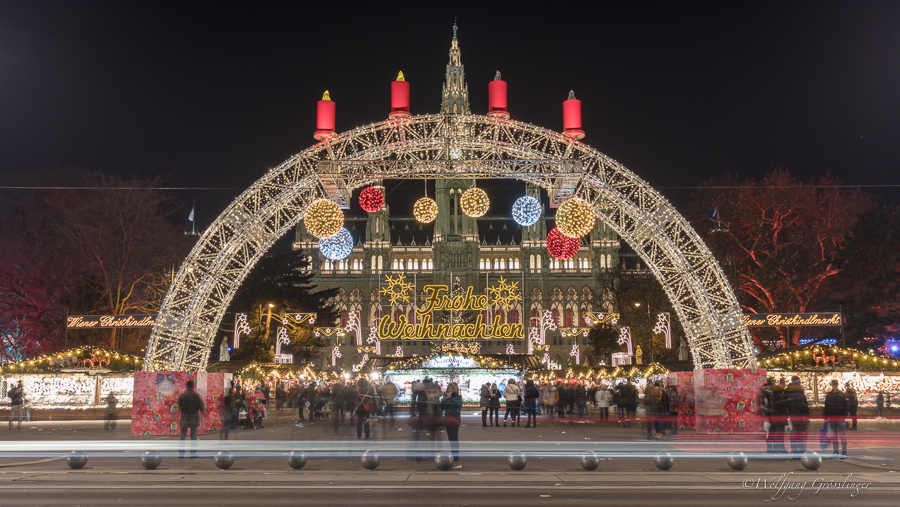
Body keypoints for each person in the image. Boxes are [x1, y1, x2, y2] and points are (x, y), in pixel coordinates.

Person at [177, 380, 206, 458]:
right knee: (193, 437)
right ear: (193, 386)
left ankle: (181, 453)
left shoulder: (182, 395)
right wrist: (204, 413)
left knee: (182, 436)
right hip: (194, 417)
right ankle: (193, 453)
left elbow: (177, 406)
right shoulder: (196, 395)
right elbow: (201, 406)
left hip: (184, 417)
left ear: (186, 386)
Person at [823, 379, 849, 458]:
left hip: (834, 417)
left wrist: (826, 416)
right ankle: (843, 452)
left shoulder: (829, 395)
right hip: (838, 417)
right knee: (840, 435)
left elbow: (826, 406)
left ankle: (837, 451)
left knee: (836, 436)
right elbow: (846, 405)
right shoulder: (842, 394)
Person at [784, 376, 809, 454]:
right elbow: (804, 404)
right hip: (799, 414)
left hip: (794, 414)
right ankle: (799, 450)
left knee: (795, 432)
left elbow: (787, 403)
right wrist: (806, 414)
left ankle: (795, 450)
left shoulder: (788, 391)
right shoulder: (799, 391)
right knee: (799, 432)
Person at [441, 382, 463, 461]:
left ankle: (455, 455)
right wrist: (444, 399)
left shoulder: (458, 397)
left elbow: (458, 404)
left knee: (454, 437)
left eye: (452, 389)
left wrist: (450, 398)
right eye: (449, 388)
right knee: (450, 437)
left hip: (455, 418)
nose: (450, 390)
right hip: (448, 419)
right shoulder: (447, 397)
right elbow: (442, 407)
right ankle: (453, 453)